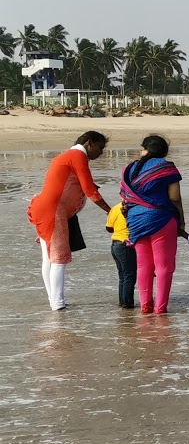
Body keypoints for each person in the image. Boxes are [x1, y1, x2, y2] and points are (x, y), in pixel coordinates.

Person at [28, 130, 111, 311]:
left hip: (44, 207)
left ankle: (53, 300)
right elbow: (90, 190)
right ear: (89, 143)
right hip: (53, 210)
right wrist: (110, 211)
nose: (101, 153)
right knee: (58, 258)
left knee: (48, 258)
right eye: (100, 148)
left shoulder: (67, 155)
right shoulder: (77, 155)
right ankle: (57, 304)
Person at [120, 134, 187, 315]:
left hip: (136, 221)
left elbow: (125, 197)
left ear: (145, 149)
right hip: (162, 219)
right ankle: (160, 309)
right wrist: (181, 220)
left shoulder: (130, 168)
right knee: (164, 266)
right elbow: (174, 198)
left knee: (144, 266)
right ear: (164, 151)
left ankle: (145, 307)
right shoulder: (167, 168)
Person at [106, 200, 137, 310]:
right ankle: (127, 304)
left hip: (115, 244)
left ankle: (123, 302)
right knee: (129, 276)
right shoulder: (134, 208)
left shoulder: (114, 208)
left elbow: (109, 228)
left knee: (123, 276)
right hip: (126, 244)